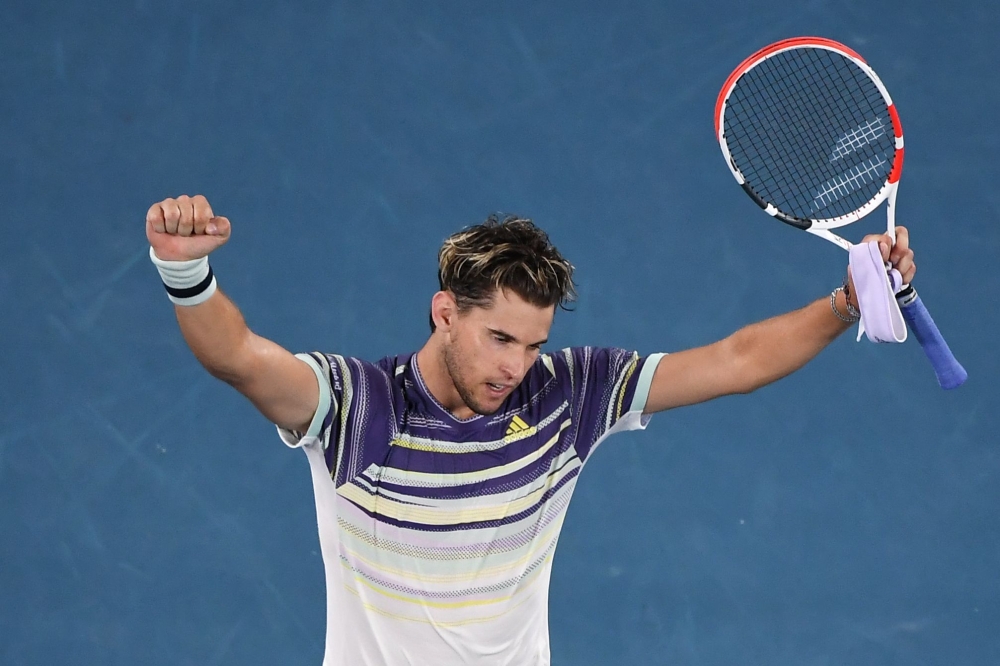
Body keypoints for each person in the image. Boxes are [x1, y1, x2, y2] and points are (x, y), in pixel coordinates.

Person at [146, 194, 915, 666]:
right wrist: (185, 272)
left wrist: (844, 304)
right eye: (499, 339)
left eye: (533, 344)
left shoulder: (564, 398)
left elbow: (735, 360)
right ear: (446, 313)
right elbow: (239, 359)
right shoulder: (356, 406)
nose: (516, 366)